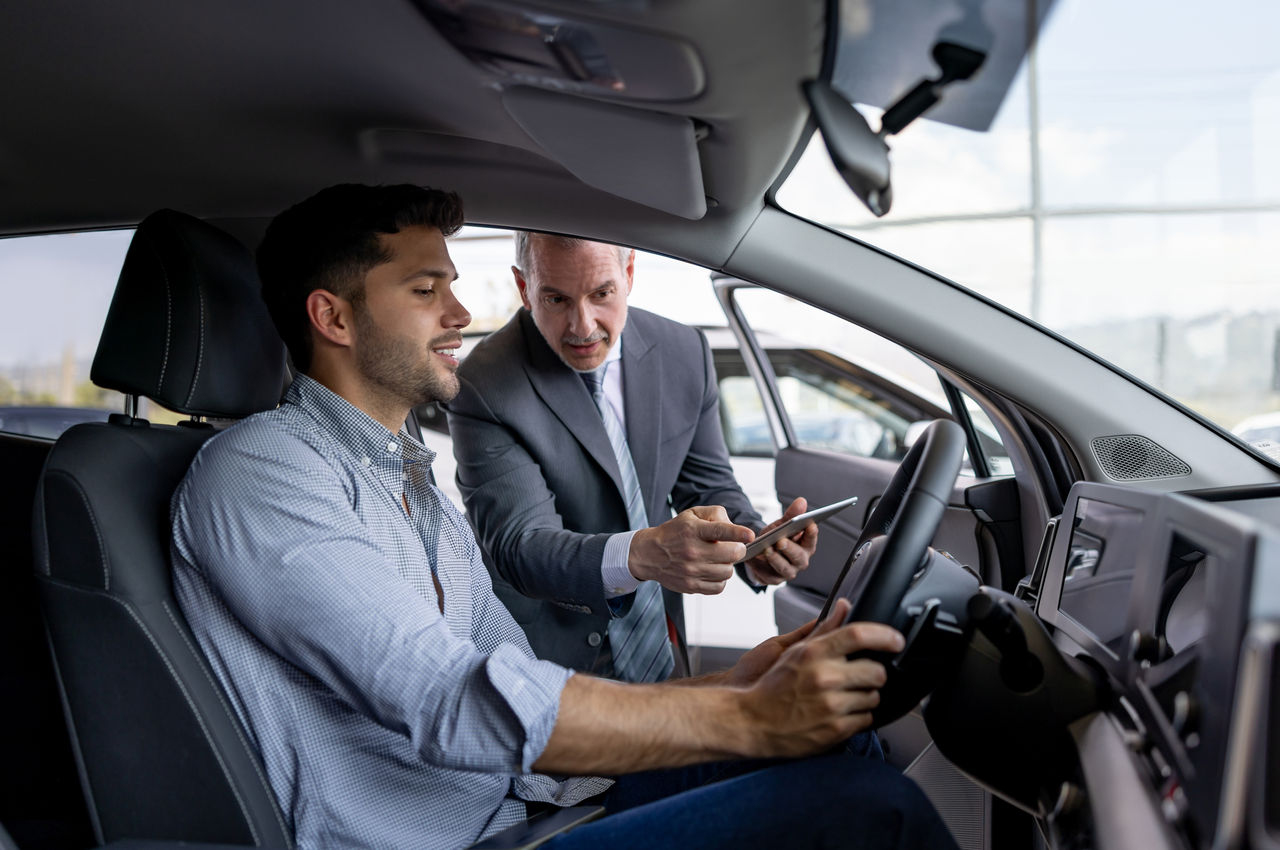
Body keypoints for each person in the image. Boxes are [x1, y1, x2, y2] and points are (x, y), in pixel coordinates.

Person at [170, 184, 958, 850]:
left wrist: (737, 682)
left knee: (840, 745)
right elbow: (448, 697)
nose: (460, 311)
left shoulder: (412, 482)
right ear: (334, 320)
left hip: (528, 802)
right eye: (425, 291)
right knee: (869, 807)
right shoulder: (262, 474)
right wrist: (745, 716)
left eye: (450, 285)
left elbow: (508, 668)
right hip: (454, 837)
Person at [445, 233, 818, 681]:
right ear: (524, 288)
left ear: (629, 274)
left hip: (662, 639)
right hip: (548, 659)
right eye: (556, 299)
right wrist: (644, 554)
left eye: (601, 294)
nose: (582, 326)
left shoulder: (684, 351)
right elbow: (521, 547)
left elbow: (706, 484)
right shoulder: (484, 384)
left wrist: (752, 542)